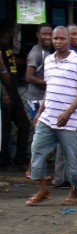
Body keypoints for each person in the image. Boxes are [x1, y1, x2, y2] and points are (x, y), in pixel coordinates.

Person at [25, 26, 77, 206]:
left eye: (62, 38)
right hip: (48, 117)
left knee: (71, 157)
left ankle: (74, 193)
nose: (58, 42)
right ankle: (44, 188)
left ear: (69, 40)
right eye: (55, 38)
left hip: (69, 120)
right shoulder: (49, 61)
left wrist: (68, 113)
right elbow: (50, 90)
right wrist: (39, 113)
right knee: (37, 150)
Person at [0, 23, 31, 169]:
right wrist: (4, 92)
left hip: (13, 91)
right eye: (12, 30)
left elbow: (12, 60)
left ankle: (19, 159)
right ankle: (4, 161)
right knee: (5, 129)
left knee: (24, 124)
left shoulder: (7, 48)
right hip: (4, 93)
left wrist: (27, 63)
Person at [25, 24, 53, 121]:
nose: (48, 37)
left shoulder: (46, 51)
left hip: (44, 98)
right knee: (40, 131)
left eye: (50, 34)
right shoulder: (36, 53)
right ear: (38, 35)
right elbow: (28, 77)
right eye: (44, 34)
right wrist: (49, 83)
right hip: (37, 99)